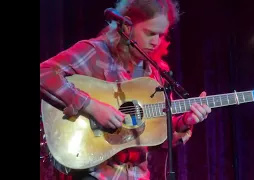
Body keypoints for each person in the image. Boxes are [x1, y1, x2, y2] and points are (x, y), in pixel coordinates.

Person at [40, 0, 212, 179]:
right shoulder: (96, 52)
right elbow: (43, 74)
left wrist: (184, 121)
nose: (155, 42)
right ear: (128, 27)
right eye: (150, 33)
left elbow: (157, 138)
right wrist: (91, 106)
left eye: (160, 35)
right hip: (95, 174)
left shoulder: (155, 74)